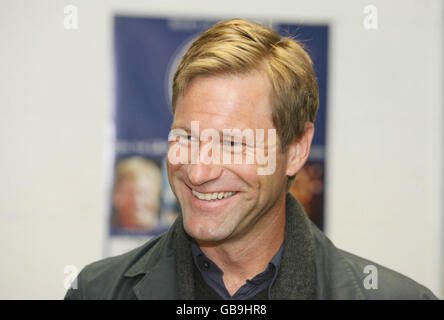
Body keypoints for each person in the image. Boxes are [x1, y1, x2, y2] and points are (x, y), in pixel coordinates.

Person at [65, 18, 437, 300]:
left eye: (232, 143)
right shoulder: (96, 292)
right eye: (187, 138)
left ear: (295, 150)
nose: (197, 171)